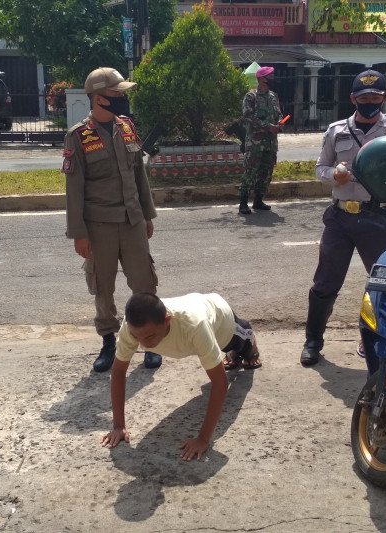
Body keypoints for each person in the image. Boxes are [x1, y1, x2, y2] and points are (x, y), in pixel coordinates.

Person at [300, 69, 386, 366]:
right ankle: (313, 339)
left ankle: (374, 336)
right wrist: (335, 177)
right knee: (325, 281)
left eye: (376, 97)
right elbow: (319, 168)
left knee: (381, 281)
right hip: (340, 218)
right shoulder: (337, 131)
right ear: (353, 99)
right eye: (364, 98)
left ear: (385, 97)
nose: (370, 102)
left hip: (377, 218)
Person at [63, 67, 161, 373]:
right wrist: (79, 233)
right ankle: (108, 340)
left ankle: (149, 341)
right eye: (116, 94)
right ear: (98, 98)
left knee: (144, 282)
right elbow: (74, 188)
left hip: (132, 221)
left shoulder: (127, 127)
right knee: (102, 286)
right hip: (99, 225)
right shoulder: (79, 136)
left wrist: (147, 214)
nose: (122, 98)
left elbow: (138, 174)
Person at [100, 292, 260, 461]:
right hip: (193, 319)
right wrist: (118, 426)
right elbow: (118, 372)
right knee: (219, 354)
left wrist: (203, 439)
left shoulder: (195, 325)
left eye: (149, 337)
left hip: (218, 316)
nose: (142, 344)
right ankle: (232, 354)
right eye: (136, 336)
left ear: (167, 321)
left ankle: (249, 345)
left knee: (239, 344)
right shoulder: (131, 327)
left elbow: (220, 383)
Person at [238, 66, 283, 214]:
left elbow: (279, 114)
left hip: (270, 143)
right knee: (250, 171)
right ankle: (243, 203)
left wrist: (280, 123)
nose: (272, 79)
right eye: (269, 76)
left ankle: (258, 200)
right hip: (255, 143)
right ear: (260, 79)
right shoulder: (251, 96)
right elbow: (248, 116)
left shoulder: (274, 96)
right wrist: (267, 126)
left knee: (266, 172)